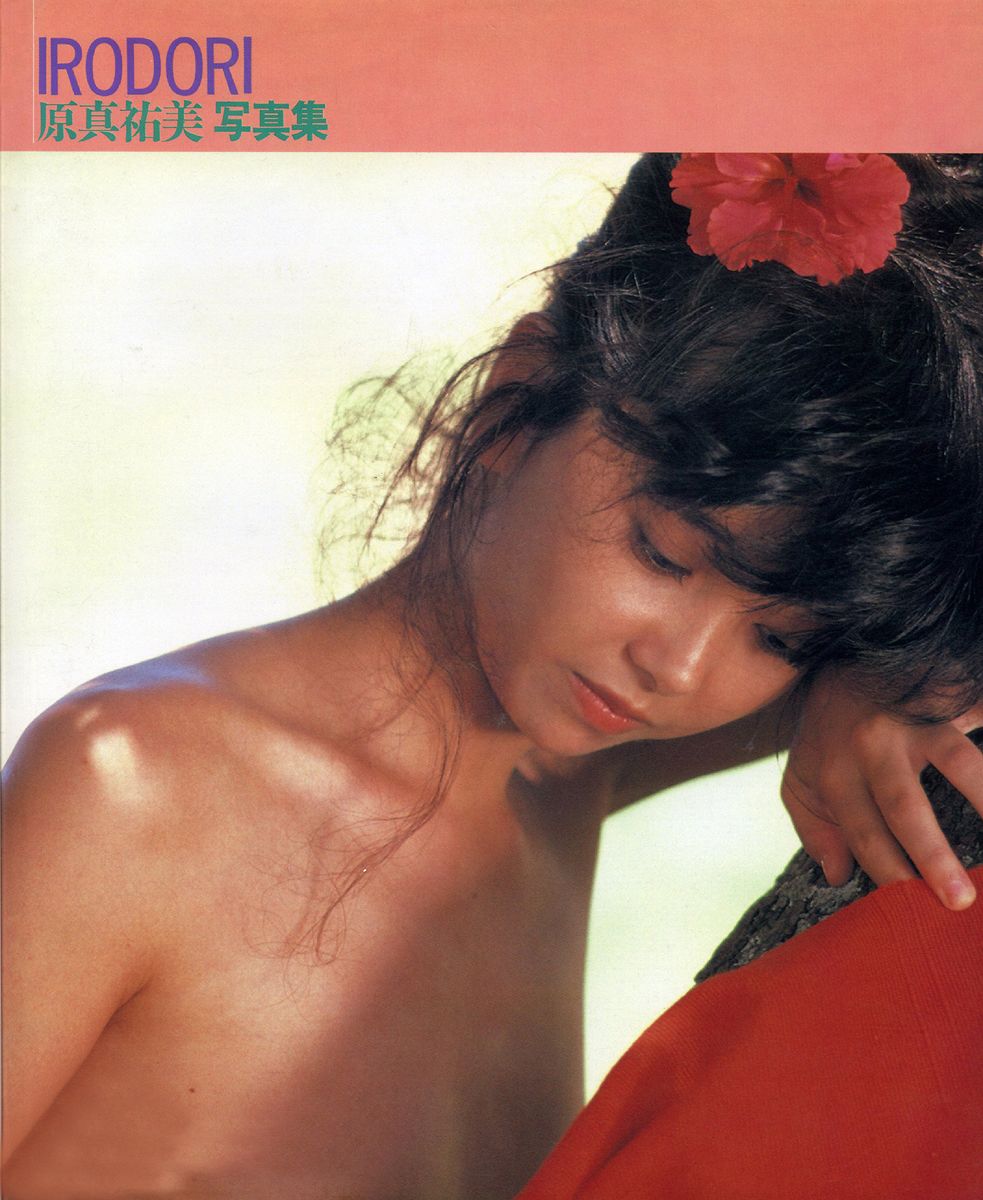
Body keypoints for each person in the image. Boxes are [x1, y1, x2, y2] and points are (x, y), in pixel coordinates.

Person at [2, 153, 981, 1199]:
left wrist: (882, 686)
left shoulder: (567, 769)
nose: (680, 666)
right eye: (662, 555)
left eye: (779, 639)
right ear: (520, 388)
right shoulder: (131, 789)